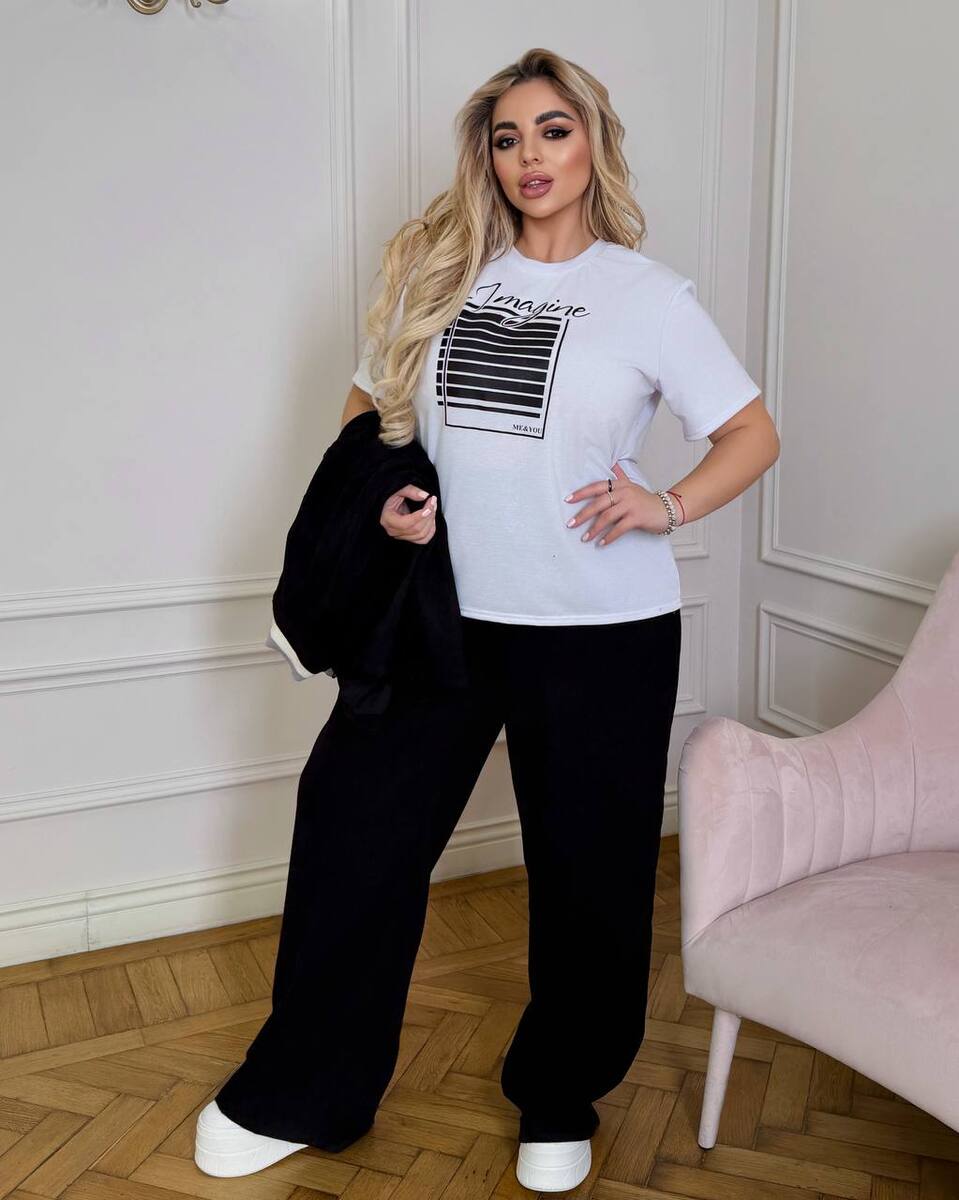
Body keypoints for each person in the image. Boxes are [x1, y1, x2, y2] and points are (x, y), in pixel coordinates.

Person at [194, 46, 780, 1191]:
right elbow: (368, 409)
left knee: (588, 872)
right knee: (351, 837)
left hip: (601, 632)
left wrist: (663, 504)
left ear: (592, 141)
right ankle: (302, 1088)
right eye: (507, 138)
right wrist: (389, 500)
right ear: (486, 157)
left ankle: (558, 1094)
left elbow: (750, 433)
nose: (528, 157)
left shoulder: (647, 297)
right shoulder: (445, 273)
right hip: (438, 617)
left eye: (552, 130)